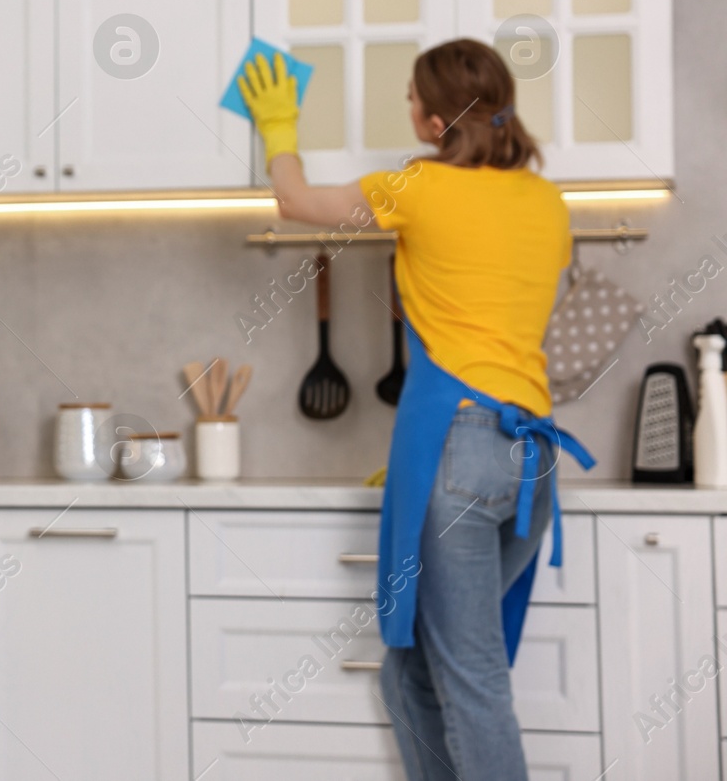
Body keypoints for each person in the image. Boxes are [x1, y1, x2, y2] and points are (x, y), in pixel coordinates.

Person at [239, 39, 595, 780]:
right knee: (410, 672)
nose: (407, 112)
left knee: (471, 678)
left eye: (410, 100)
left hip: (459, 447)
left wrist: (277, 126)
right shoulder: (547, 201)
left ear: (436, 121)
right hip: (531, 458)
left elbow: (297, 202)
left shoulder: (419, 187)